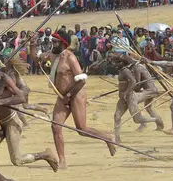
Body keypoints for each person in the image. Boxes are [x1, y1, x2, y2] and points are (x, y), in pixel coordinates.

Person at [28, 31, 115, 169]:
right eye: (52, 41)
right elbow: (35, 57)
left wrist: (68, 96)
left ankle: (107, 137)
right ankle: (62, 161)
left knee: (81, 129)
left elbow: (81, 81)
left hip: (76, 95)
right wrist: (32, 42)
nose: (52, 44)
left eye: (55, 42)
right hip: (62, 97)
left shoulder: (70, 58)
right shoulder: (52, 54)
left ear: (63, 43)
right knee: (55, 126)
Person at [0, 52, 58, 181]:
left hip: (11, 121)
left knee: (17, 160)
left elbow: (20, 96)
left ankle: (44, 155)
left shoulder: (4, 78)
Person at [110, 54, 163, 144]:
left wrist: (126, 92)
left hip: (133, 96)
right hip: (124, 98)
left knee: (137, 119)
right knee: (117, 116)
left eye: (115, 63)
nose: (113, 65)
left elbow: (134, 82)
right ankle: (117, 138)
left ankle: (155, 119)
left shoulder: (127, 70)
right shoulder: (124, 70)